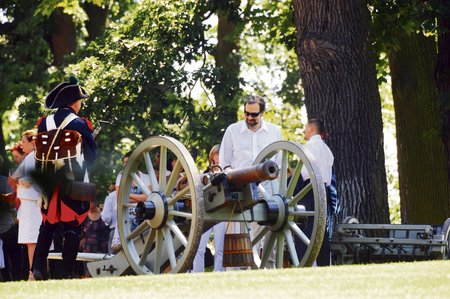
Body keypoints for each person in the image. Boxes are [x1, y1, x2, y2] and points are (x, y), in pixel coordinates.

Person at [32, 77, 97, 280]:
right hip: (72, 182)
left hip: (49, 183)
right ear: (74, 103)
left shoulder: (43, 123)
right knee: (72, 227)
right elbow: (92, 156)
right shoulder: (79, 123)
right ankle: (68, 272)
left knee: (47, 226)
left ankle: (38, 269)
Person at [219, 95, 282, 268]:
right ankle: (245, 270)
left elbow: (279, 164)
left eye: (254, 115)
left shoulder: (275, 132)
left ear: (262, 113)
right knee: (246, 239)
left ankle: (268, 269)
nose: (249, 118)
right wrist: (232, 176)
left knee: (270, 236)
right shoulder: (233, 130)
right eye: (246, 113)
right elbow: (225, 163)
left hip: (268, 191)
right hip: (241, 192)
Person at [294, 119, 335, 266]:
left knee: (306, 226)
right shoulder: (326, 149)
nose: (304, 131)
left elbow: (305, 173)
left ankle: (307, 263)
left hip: (309, 190)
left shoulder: (310, 145)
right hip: (323, 190)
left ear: (311, 129)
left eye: (306, 128)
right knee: (321, 230)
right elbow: (329, 177)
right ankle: (324, 263)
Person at [9, 129, 41, 280]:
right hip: (28, 202)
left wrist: (19, 181)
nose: (21, 144)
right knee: (30, 240)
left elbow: (28, 181)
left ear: (32, 142)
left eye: (24, 141)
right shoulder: (30, 157)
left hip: (32, 202)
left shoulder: (35, 157)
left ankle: (33, 273)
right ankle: (33, 271)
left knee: (32, 240)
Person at [192, 144, 227, 272]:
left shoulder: (227, 175)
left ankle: (219, 272)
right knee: (199, 247)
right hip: (206, 213)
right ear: (212, 159)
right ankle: (197, 274)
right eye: (216, 157)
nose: (217, 160)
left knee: (220, 247)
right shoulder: (204, 176)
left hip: (221, 213)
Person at [111, 151, 151, 251]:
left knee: (141, 247)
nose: (125, 165)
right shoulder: (120, 176)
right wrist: (139, 197)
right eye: (124, 162)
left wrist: (128, 196)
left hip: (141, 219)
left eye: (127, 162)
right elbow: (120, 198)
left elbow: (149, 197)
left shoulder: (146, 177)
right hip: (125, 217)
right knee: (121, 247)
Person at [0, 156, 21, 281]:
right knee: (14, 254)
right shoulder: (5, 181)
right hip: (7, 227)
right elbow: (12, 204)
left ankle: (6, 279)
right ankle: (17, 278)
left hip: (5, 226)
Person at [101, 183, 117, 254]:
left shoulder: (111, 196)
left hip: (115, 231)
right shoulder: (133, 194)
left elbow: (106, 217)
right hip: (134, 231)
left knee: (113, 258)